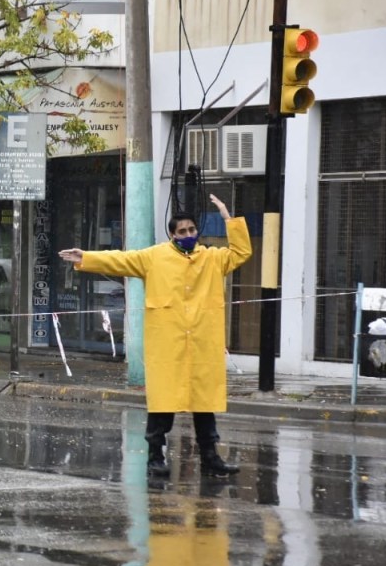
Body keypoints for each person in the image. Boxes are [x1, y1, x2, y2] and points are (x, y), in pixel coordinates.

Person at [58, 194, 252, 477]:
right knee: (162, 405)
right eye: (182, 231)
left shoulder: (213, 258)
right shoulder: (155, 257)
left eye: (192, 230)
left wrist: (227, 216)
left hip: (202, 346)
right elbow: (121, 260)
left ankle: (211, 459)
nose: (188, 235)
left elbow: (241, 252)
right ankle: (155, 459)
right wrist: (86, 257)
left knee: (204, 406)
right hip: (168, 346)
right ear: (173, 235)